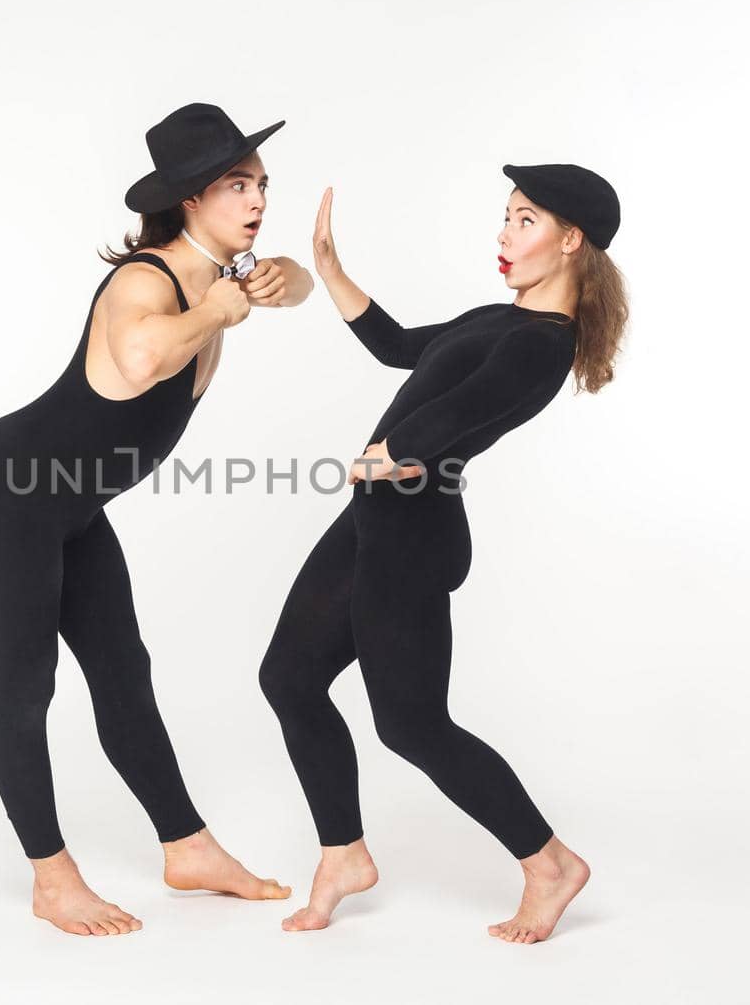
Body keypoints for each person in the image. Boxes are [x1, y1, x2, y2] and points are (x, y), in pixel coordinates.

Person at [0, 103, 314, 936]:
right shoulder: (147, 280)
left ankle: (186, 845)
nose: (257, 200)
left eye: (261, 183)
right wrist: (219, 313)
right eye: (235, 185)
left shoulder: (226, 272)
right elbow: (145, 353)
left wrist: (280, 278)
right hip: (12, 489)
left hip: (74, 500)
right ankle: (52, 877)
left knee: (123, 670)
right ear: (190, 199)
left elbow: (289, 283)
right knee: (27, 684)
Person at [258, 164, 627, 942]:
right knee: (289, 677)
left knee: (413, 725)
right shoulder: (498, 318)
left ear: (570, 241)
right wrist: (331, 270)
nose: (504, 233)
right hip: (375, 520)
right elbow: (399, 348)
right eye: (506, 217)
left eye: (524, 220)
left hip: (412, 539)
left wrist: (386, 454)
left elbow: (454, 417)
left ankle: (549, 862)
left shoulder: (542, 345)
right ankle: (344, 853)